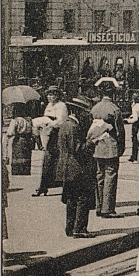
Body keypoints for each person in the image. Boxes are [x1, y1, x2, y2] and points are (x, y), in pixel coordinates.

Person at [57, 96, 97, 238]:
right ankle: (79, 229)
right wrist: (92, 142)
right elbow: (78, 149)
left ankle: (70, 228)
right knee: (82, 198)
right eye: (85, 112)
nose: (87, 115)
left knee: (71, 199)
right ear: (78, 112)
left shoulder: (65, 125)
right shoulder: (73, 127)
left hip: (68, 169)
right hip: (76, 169)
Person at [89, 94, 126, 218]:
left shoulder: (95, 108)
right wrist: (121, 146)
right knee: (110, 176)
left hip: (97, 145)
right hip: (111, 145)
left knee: (99, 175)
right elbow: (119, 130)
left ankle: (98, 206)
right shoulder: (114, 109)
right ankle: (108, 208)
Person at [5, 104, 35, 175]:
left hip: (18, 139)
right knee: (26, 155)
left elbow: (10, 132)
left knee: (18, 155)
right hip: (27, 140)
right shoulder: (29, 119)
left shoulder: (16, 120)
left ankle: (17, 171)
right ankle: (25, 171)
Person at [126, 92, 139, 162]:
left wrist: (128, 121)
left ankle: (134, 155)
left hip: (136, 123)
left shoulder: (135, 107)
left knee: (134, 139)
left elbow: (135, 118)